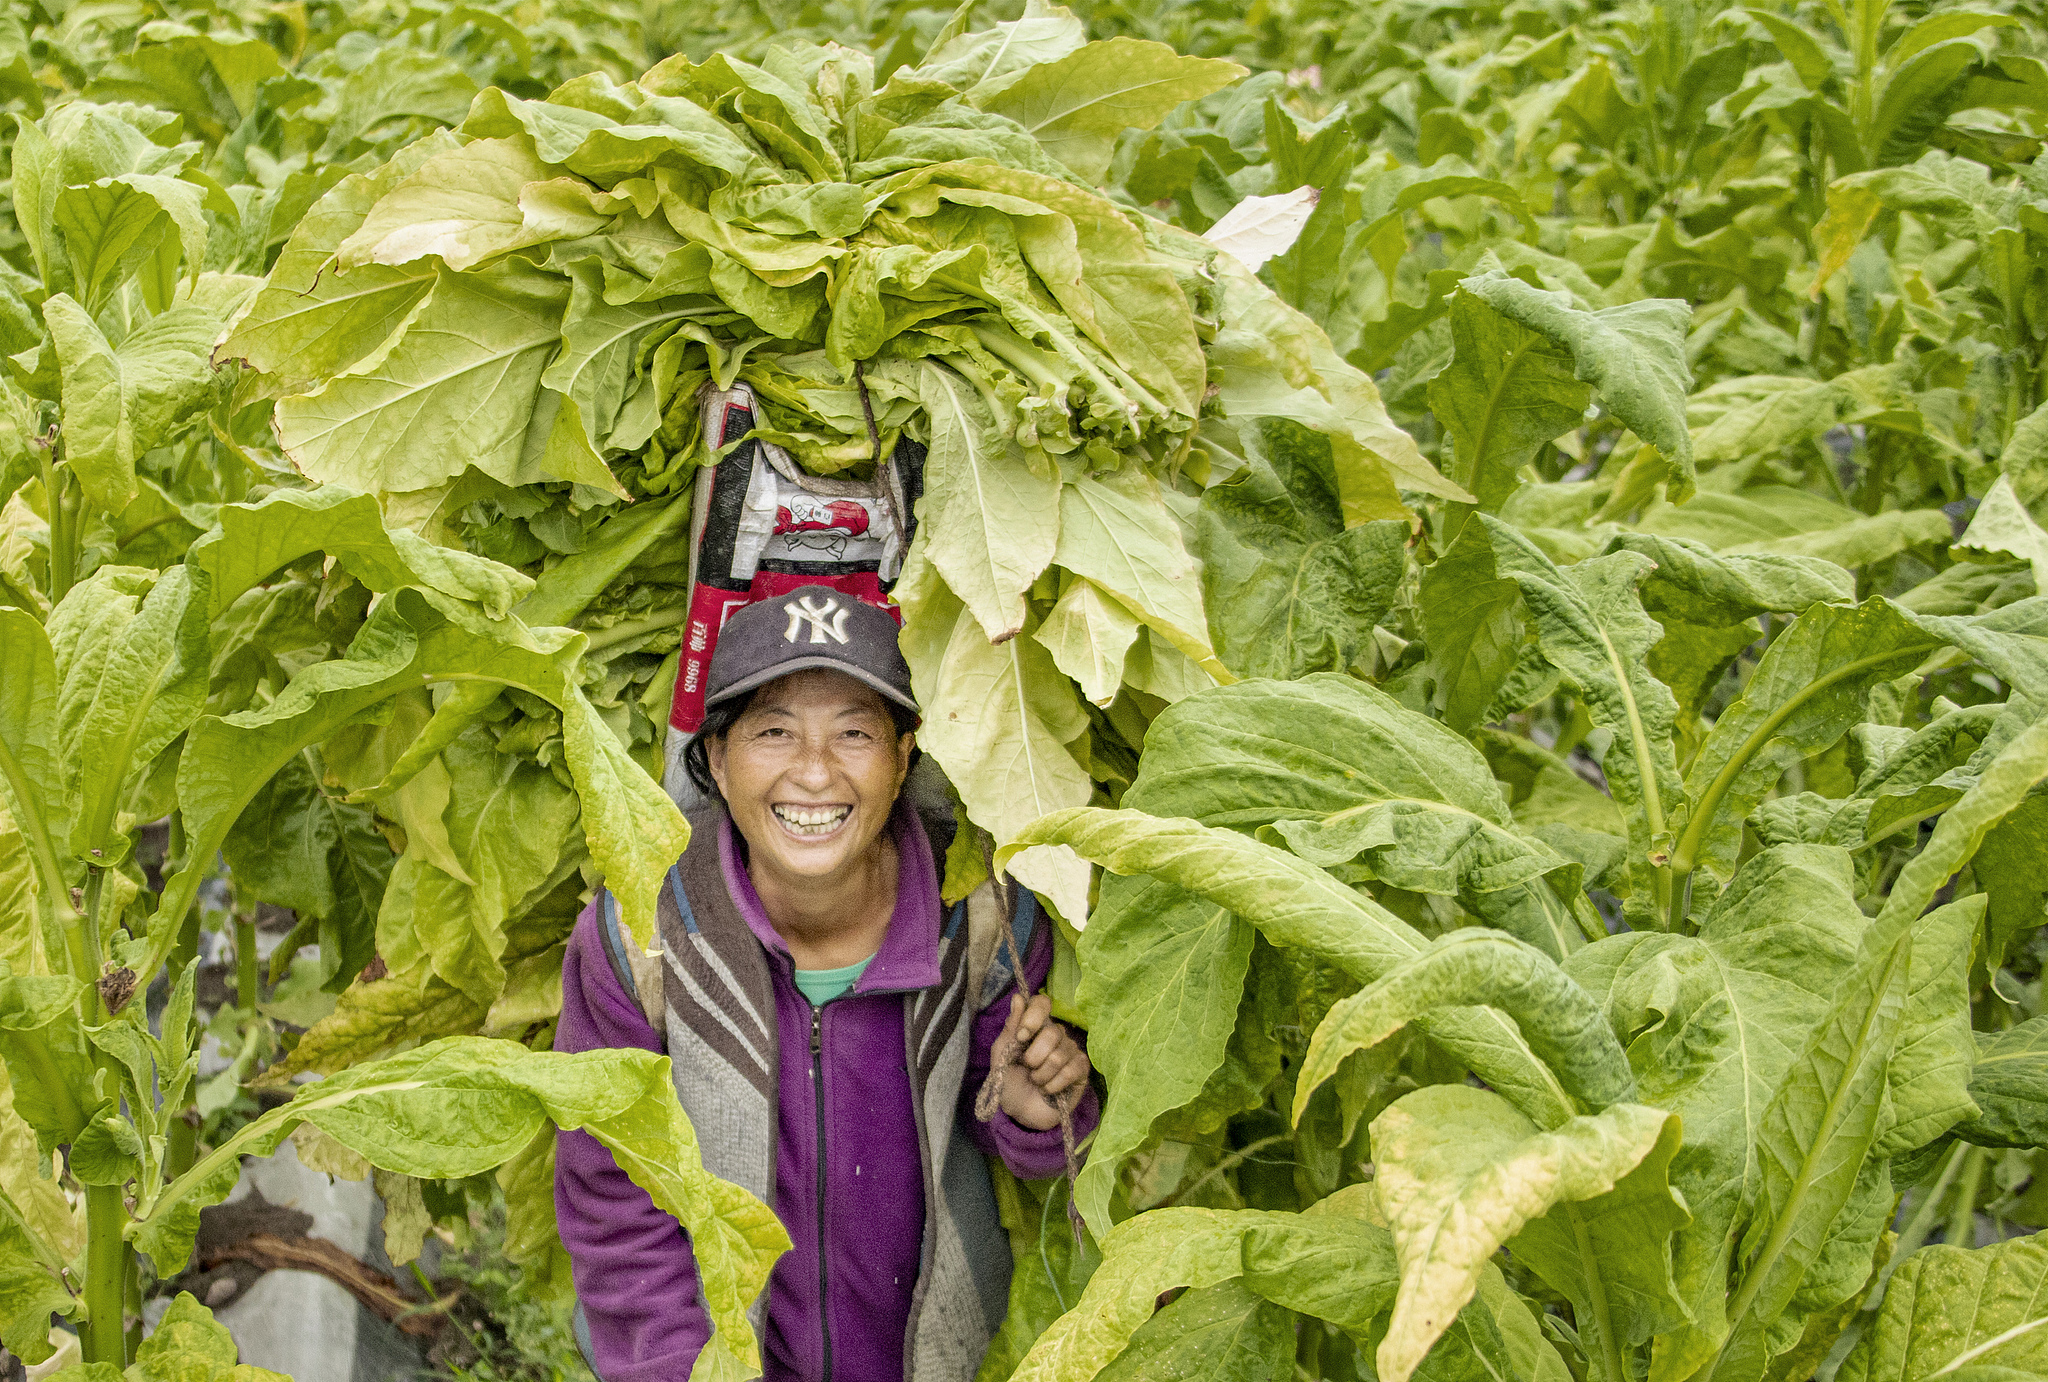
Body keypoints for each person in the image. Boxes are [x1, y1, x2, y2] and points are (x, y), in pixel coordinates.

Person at [554, 586, 1100, 1382]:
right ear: (715, 756)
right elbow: (615, 1196)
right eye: (774, 731)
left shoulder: (981, 915)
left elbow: (1041, 1138)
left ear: (905, 757)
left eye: (855, 732)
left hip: (930, 1358)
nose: (814, 772)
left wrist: (1034, 1107)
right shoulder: (641, 933)